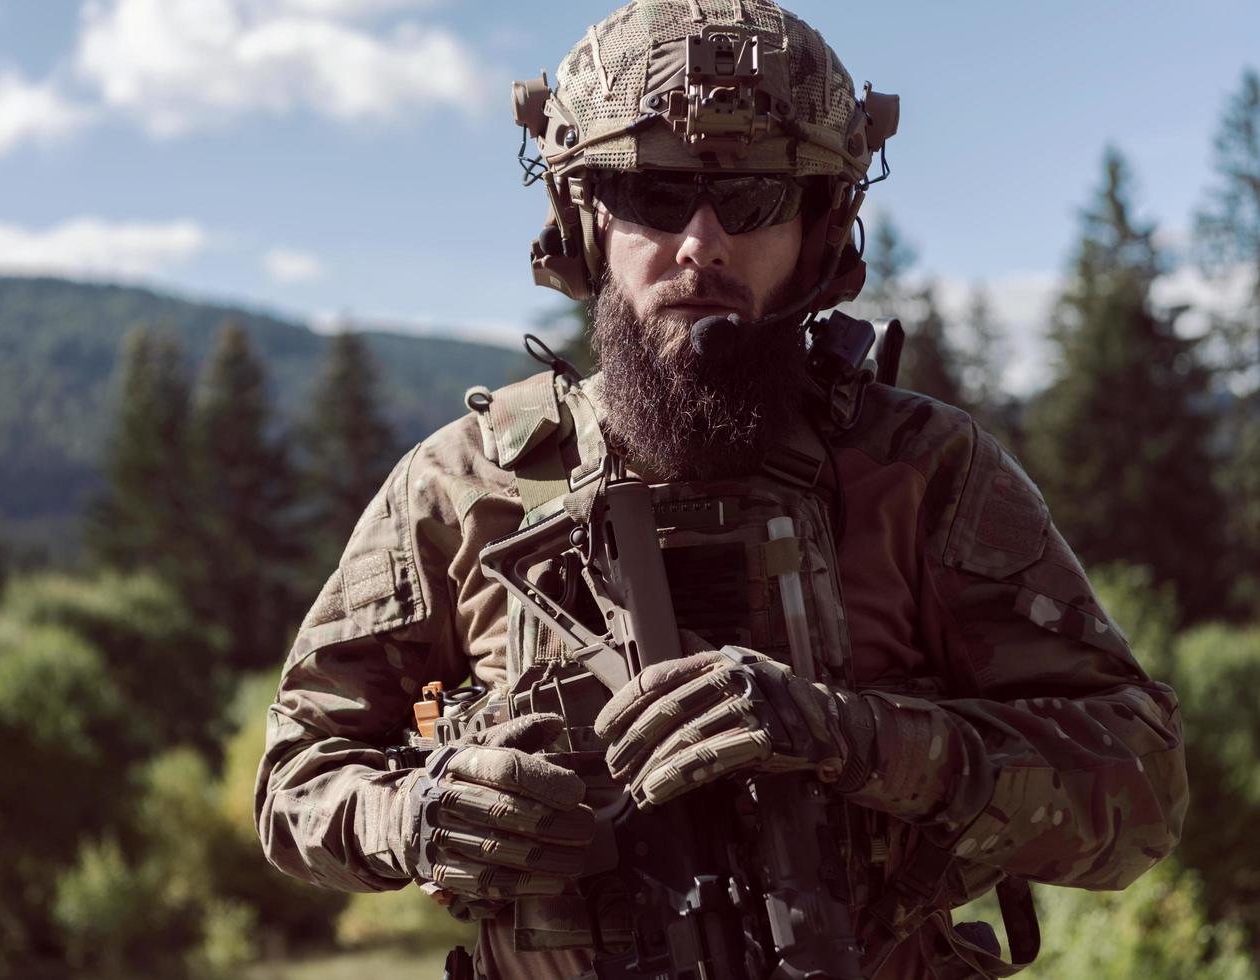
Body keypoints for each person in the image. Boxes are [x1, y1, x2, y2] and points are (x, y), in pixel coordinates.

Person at [255, 2, 1187, 977]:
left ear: (817, 227)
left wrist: (858, 737)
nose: (701, 244)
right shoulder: (460, 487)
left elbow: (1140, 788)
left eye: (751, 200)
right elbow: (297, 777)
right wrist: (423, 810)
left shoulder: (922, 471)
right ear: (588, 215)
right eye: (654, 194)